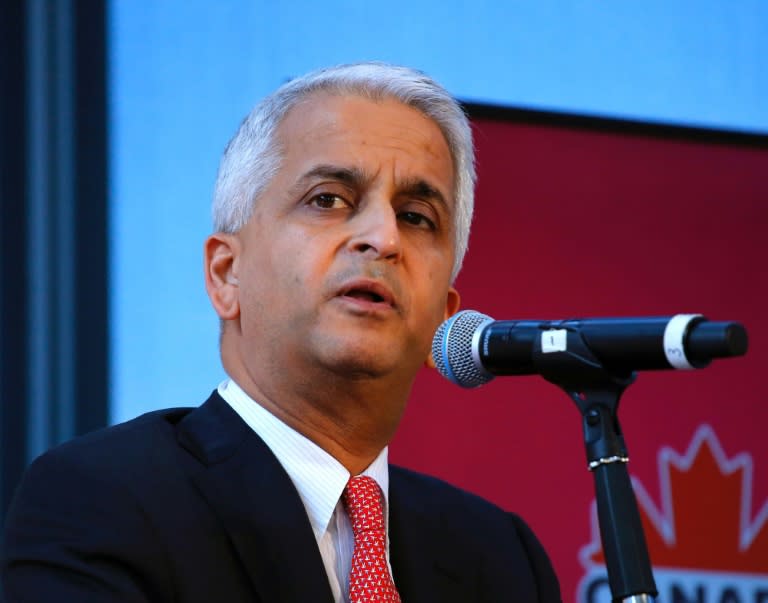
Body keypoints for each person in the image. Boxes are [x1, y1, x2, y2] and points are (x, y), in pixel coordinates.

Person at [1, 62, 561, 602]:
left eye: (416, 216)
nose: (383, 239)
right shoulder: (106, 498)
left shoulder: (499, 556)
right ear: (227, 274)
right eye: (329, 200)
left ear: (444, 316)